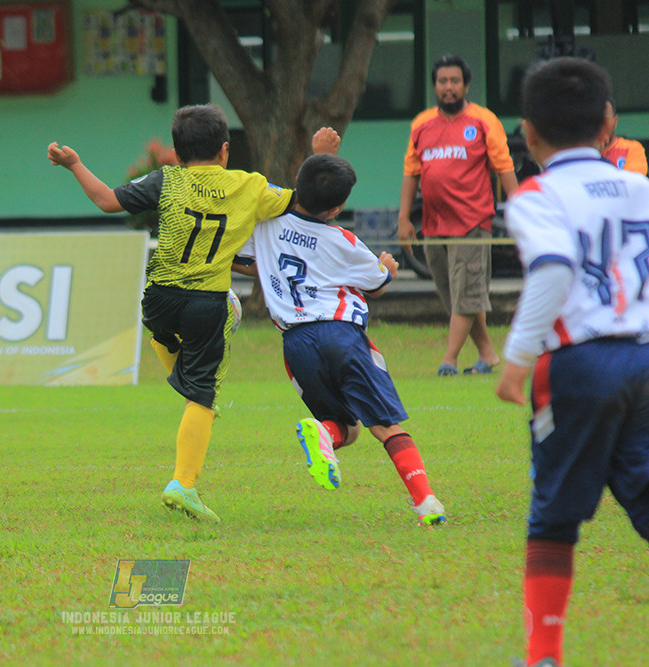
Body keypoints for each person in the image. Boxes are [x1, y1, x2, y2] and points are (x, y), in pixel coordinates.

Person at [48, 103, 337, 523]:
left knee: (170, 343)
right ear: (224, 150)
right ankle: (183, 482)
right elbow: (309, 203)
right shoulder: (249, 186)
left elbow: (107, 200)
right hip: (205, 304)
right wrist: (321, 157)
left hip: (158, 298)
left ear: (177, 154)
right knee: (203, 394)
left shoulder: (168, 180)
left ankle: (189, 386)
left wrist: (74, 164)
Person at [495, 57, 649, 667]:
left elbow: (555, 268)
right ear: (609, 121)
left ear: (528, 133)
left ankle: (543, 656)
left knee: (554, 513)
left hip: (578, 365)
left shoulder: (536, 195)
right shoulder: (642, 187)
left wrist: (515, 357)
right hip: (644, 358)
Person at [232, 153, 446, 526]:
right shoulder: (343, 240)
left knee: (346, 428)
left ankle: (324, 434)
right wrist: (389, 268)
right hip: (341, 335)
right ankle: (425, 500)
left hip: (295, 344)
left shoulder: (265, 226)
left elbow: (239, 260)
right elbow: (377, 284)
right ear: (337, 208)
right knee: (384, 424)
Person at [397, 54, 519, 376]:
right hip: (433, 225)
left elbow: (504, 167)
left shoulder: (483, 120)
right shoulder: (421, 124)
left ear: (465, 85)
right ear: (435, 86)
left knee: (465, 294)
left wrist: (522, 210)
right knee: (456, 296)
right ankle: (488, 355)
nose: (448, 87)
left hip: (472, 223)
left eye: (454, 81)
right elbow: (411, 173)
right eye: (442, 82)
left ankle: (448, 360)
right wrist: (404, 218)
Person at [601, 97, 648, 175]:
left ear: (615, 120)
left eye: (605, 116)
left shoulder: (631, 148)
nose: (601, 122)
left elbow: (633, 182)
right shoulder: (583, 150)